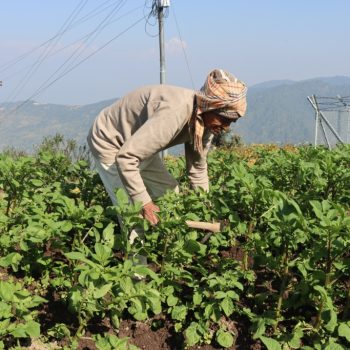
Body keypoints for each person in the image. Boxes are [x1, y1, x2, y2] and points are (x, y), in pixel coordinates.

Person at [87, 69, 247, 228]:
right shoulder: (175, 113)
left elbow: (197, 168)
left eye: (231, 122)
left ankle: (160, 238)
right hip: (110, 140)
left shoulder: (205, 124)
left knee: (169, 194)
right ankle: (136, 252)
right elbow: (126, 158)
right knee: (133, 213)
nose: (225, 127)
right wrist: (145, 203)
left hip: (137, 145)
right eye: (224, 119)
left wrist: (205, 208)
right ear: (210, 107)